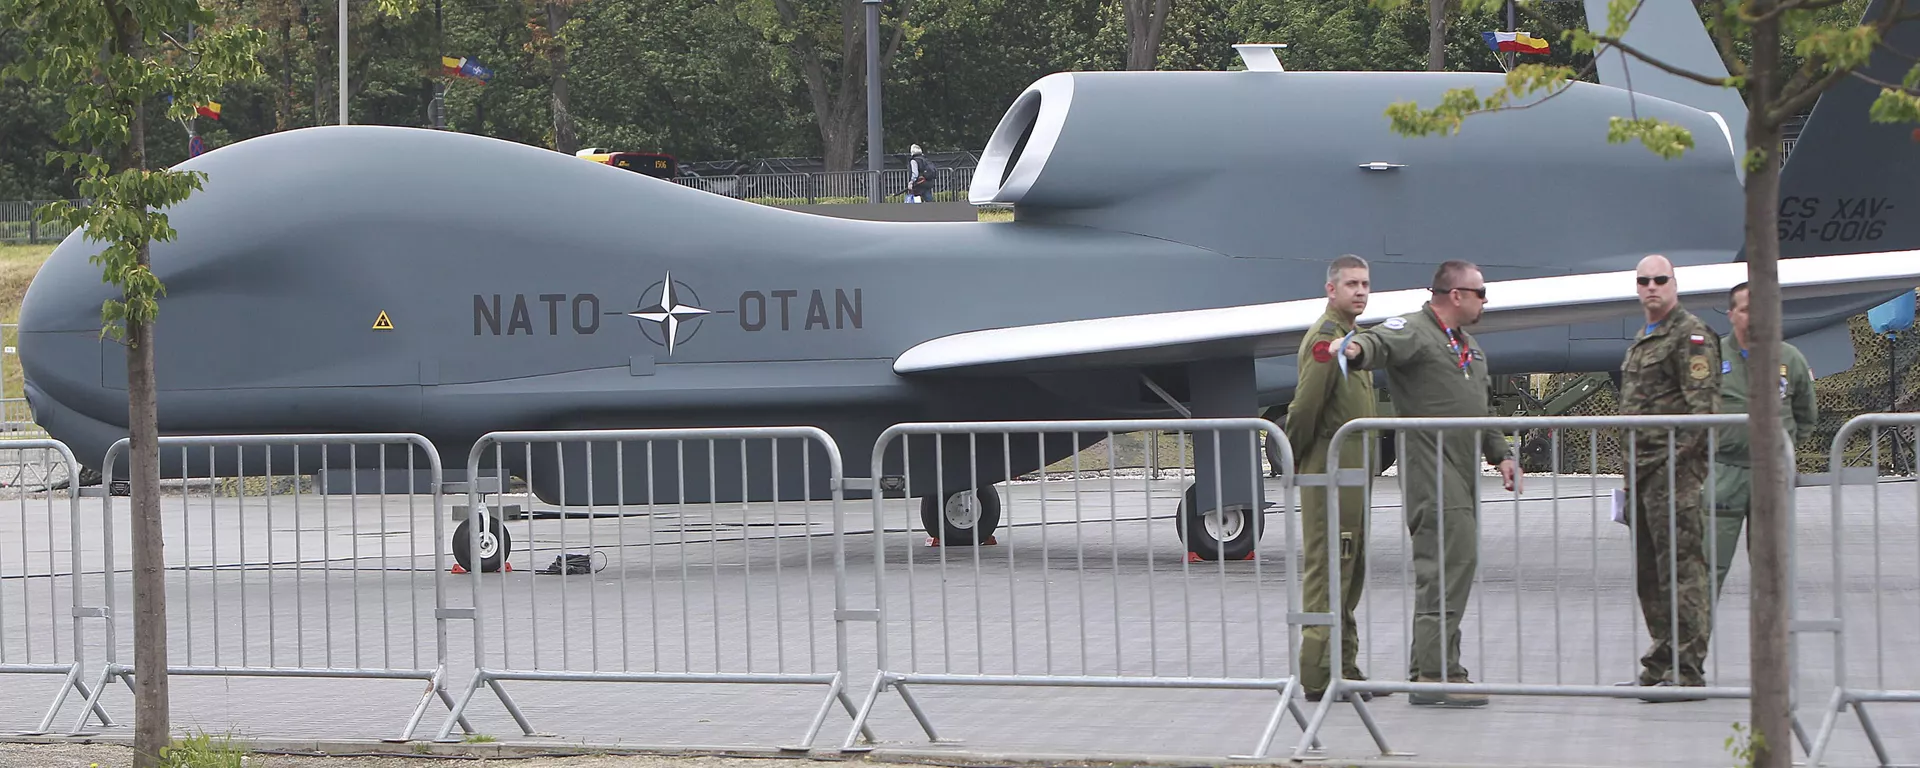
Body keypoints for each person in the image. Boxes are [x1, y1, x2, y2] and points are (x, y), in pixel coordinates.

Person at [1341, 259, 1521, 708]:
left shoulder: (1469, 349)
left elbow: (1478, 409)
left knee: (1453, 566)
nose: (1485, 301)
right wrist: (1354, 351)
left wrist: (1501, 454)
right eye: (1481, 292)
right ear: (1455, 295)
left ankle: (1430, 671)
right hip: (1431, 470)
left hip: (1461, 471)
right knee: (1445, 566)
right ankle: (1438, 672)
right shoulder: (1416, 330)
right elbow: (1378, 341)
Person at [1616, 253, 1721, 697]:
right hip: (1641, 473)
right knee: (1651, 573)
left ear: (1675, 284)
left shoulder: (1690, 335)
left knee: (1682, 569)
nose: (1651, 287)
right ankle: (1662, 658)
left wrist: (1680, 466)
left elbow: (1704, 410)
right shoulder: (1645, 337)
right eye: (1644, 281)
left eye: (1660, 280)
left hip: (1673, 473)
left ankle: (1688, 665)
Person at [1286, 254, 1380, 702]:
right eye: (1352, 284)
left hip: (1351, 475)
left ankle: (1344, 667)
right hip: (1329, 471)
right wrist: (1300, 458)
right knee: (1329, 567)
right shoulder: (1328, 340)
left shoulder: (1351, 339)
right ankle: (1318, 675)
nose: (1360, 291)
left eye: (1365, 284)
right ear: (1331, 290)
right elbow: (1305, 407)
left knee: (1350, 567)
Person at [1708, 281, 1816, 601]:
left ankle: (1774, 647)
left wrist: (1783, 449)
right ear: (1731, 315)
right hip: (1724, 473)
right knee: (1707, 568)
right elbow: (1690, 410)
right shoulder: (1710, 358)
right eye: (1745, 309)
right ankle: (1690, 647)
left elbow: (1805, 415)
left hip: (1771, 475)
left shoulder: (1790, 358)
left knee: (1772, 570)